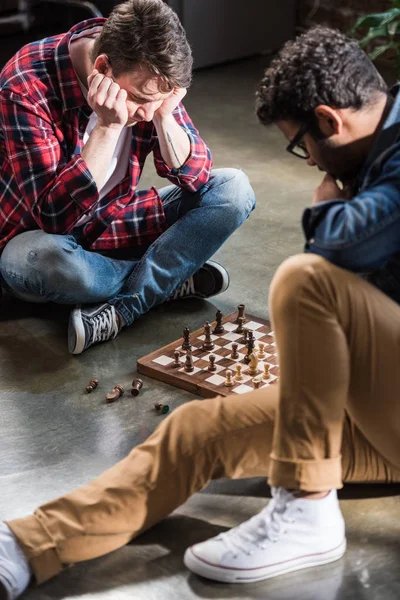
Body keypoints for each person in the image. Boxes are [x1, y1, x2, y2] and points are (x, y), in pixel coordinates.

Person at [2, 24, 400, 600]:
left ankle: (308, 507)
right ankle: (26, 545)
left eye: (301, 145)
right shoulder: (27, 85)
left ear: (330, 122)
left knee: (306, 279)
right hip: (380, 406)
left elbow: (342, 244)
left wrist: (328, 207)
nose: (311, 162)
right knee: (193, 430)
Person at [0, 0, 255, 355]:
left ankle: (124, 306)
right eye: (140, 99)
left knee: (234, 190)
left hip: (112, 221)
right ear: (102, 67)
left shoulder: (149, 75)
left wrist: (165, 116)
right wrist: (108, 126)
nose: (146, 112)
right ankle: (167, 277)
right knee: (47, 263)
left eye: (161, 100)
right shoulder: (25, 83)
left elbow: (195, 177)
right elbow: (54, 219)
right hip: (37, 242)